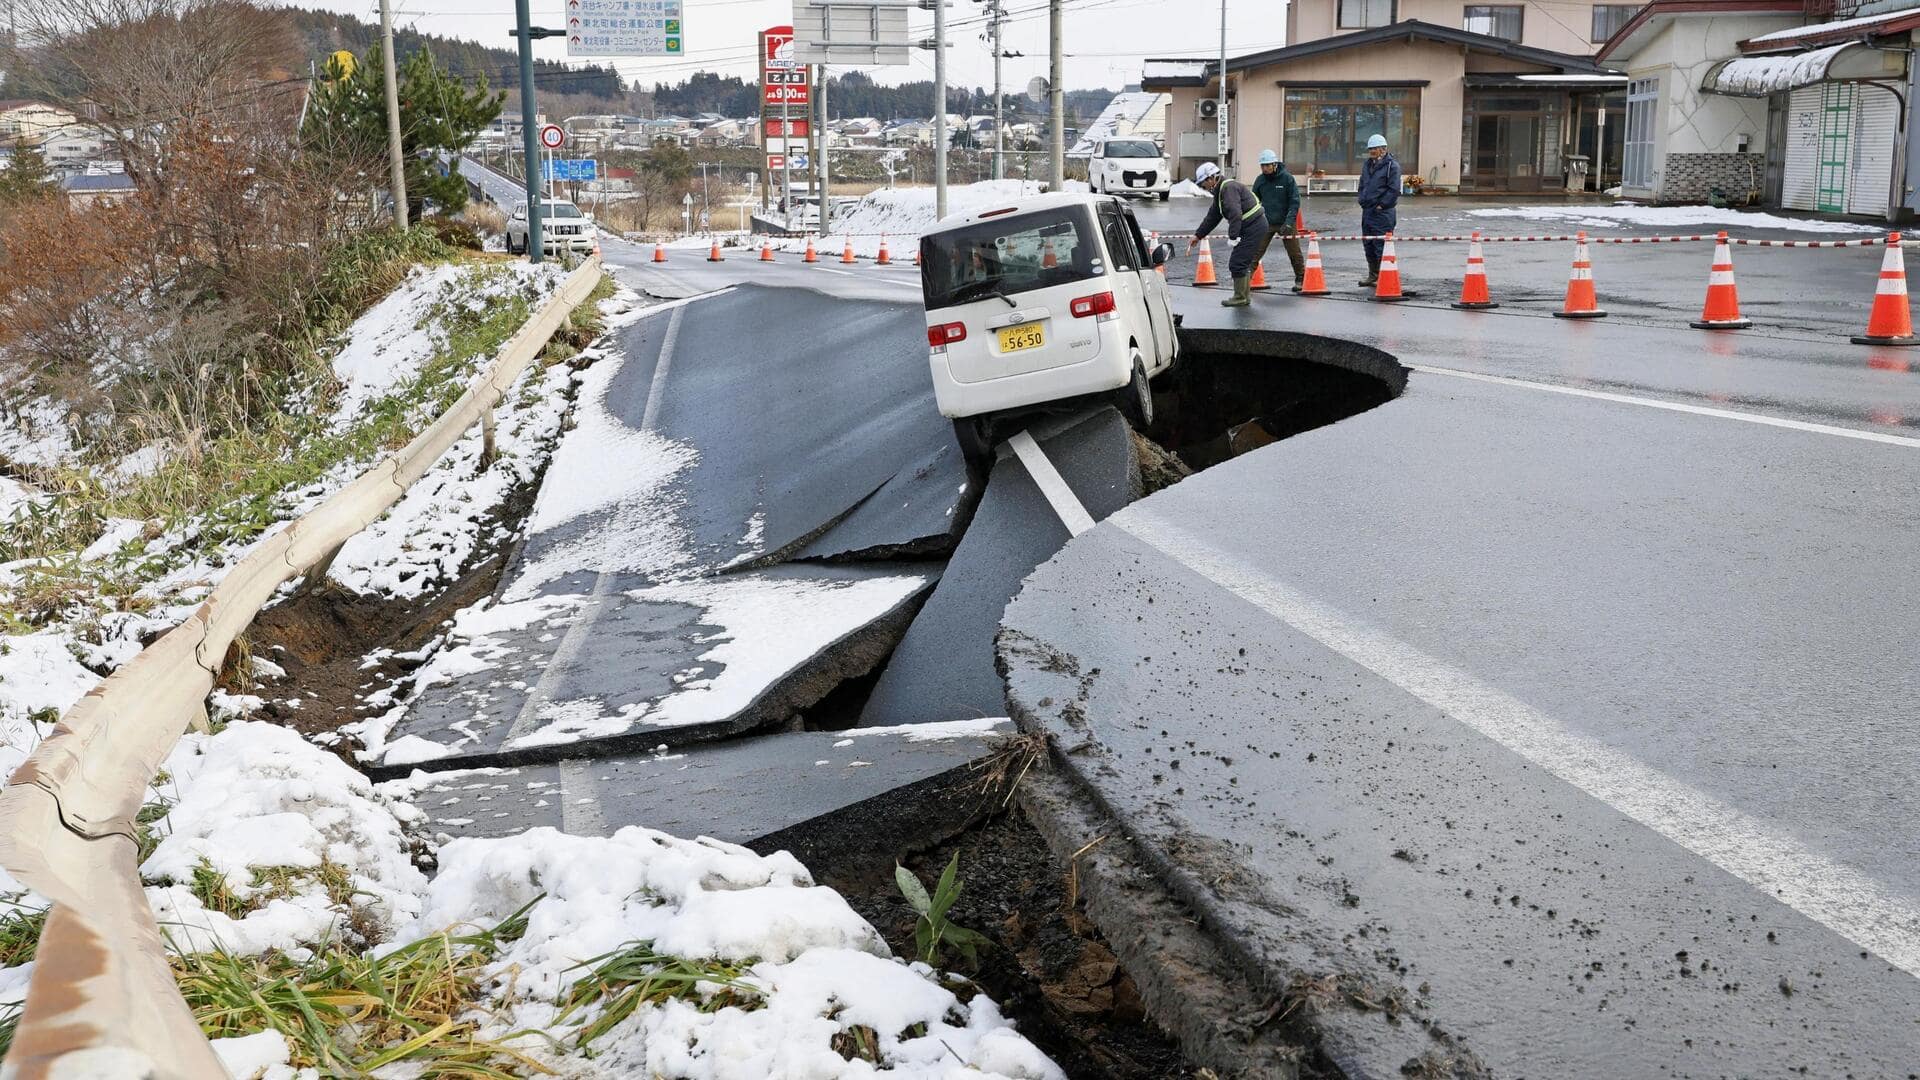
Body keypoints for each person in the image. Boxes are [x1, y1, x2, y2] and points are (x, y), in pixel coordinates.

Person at [1188, 161, 1269, 307]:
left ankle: (1240, 297)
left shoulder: (1228, 188)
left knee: (1238, 262)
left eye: (1202, 183)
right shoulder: (1221, 190)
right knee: (1241, 262)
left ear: (1211, 178)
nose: (1202, 187)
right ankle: (1244, 297)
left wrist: (1233, 236)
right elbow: (1213, 216)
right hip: (1252, 226)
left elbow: (1235, 214)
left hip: (1254, 226)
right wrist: (1198, 235)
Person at [1250, 149, 1306, 292]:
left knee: (1294, 253)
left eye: (1267, 165)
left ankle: (1301, 279)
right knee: (1255, 252)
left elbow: (1294, 202)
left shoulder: (1287, 179)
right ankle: (1245, 280)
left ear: (1274, 164)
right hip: (1266, 222)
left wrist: (1289, 222)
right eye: (1262, 165)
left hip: (1285, 222)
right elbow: (1253, 202)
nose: (1264, 168)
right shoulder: (1260, 180)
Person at [1355, 134, 1401, 287]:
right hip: (1367, 210)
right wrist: (1361, 199)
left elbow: (1393, 189)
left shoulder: (1392, 166)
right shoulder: (1368, 165)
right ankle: (1373, 275)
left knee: (1381, 245)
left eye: (1375, 148)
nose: (1372, 151)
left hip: (1383, 213)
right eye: (1370, 149)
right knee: (1368, 244)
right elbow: (1362, 184)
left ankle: (1385, 276)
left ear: (1384, 149)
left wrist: (1382, 205)